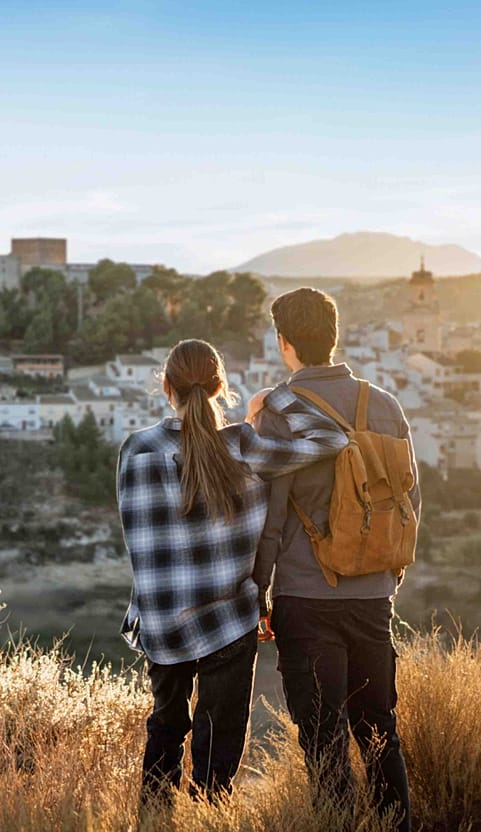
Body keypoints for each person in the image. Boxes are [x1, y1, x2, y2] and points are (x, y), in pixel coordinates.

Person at [117, 338, 348, 809]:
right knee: (217, 747)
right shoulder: (241, 446)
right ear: (222, 387)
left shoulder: (135, 450)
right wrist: (277, 395)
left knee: (165, 728)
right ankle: (209, 818)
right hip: (228, 621)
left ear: (166, 388)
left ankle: (155, 821)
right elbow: (332, 440)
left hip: (161, 622)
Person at [256, 288, 417, 831]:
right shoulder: (385, 405)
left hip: (307, 597)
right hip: (374, 599)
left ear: (285, 343)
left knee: (324, 743)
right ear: (334, 335)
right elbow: (406, 501)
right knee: (379, 733)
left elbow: (271, 516)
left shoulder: (281, 408)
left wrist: (257, 592)